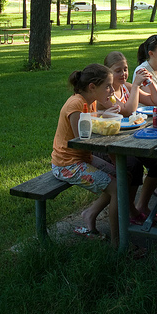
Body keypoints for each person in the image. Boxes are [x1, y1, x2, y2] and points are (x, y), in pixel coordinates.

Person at [51, 64, 119, 246]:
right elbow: (81, 139)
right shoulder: (76, 104)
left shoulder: (89, 102)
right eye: (108, 86)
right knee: (117, 190)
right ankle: (118, 244)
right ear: (92, 87)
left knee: (122, 177)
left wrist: (104, 115)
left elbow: (91, 122)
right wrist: (104, 120)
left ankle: (90, 214)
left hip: (82, 158)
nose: (112, 90)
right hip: (67, 165)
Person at [98, 51, 157, 224]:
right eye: (118, 70)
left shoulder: (127, 86)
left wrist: (149, 82)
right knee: (132, 166)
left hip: (131, 139)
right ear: (108, 72)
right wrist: (135, 86)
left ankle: (141, 205)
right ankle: (129, 210)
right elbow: (126, 110)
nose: (123, 74)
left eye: (125, 69)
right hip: (108, 144)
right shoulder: (106, 92)